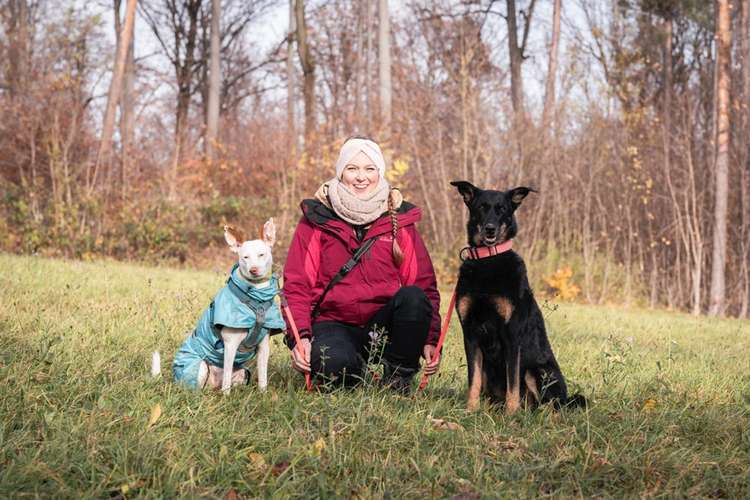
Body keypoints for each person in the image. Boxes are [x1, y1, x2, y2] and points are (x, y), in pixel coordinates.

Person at [282, 136, 441, 392]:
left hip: (383, 328)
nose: (361, 177)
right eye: (352, 168)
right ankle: (353, 371)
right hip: (332, 322)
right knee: (335, 368)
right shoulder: (316, 219)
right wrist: (300, 338)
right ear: (340, 172)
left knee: (414, 297)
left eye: (369, 169)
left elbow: (425, 285)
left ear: (380, 172)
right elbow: (296, 285)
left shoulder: (399, 219)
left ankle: (398, 378)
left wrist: (431, 338)